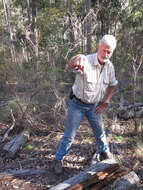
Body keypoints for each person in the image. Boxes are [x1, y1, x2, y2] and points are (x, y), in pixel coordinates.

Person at [54, 34, 118, 174]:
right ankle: (59, 159)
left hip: (94, 106)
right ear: (98, 47)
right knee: (70, 135)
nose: (106, 54)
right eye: (104, 50)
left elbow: (113, 85)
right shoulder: (86, 61)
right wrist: (76, 58)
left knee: (100, 132)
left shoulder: (110, 67)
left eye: (109, 52)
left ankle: (105, 151)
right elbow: (71, 65)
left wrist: (105, 102)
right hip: (77, 104)